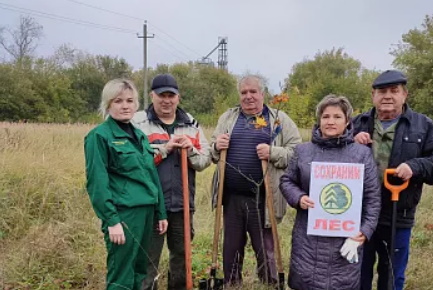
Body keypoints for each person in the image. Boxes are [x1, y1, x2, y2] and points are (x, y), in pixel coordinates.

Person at [353, 70, 433, 290]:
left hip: (398, 213)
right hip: (360, 214)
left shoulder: (423, 126)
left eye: (394, 91)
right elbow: (329, 148)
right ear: (373, 96)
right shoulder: (358, 123)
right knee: (358, 273)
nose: (387, 96)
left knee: (392, 276)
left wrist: (415, 166)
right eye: (382, 91)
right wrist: (350, 141)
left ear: (404, 95)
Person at [279, 95, 381, 290]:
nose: (331, 121)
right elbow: (287, 180)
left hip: (346, 239)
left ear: (347, 121)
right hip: (308, 239)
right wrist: (298, 198)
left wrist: (364, 232)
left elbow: (372, 199)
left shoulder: (361, 154)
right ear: (319, 120)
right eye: (326, 116)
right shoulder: (303, 151)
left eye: (337, 117)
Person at [211, 74, 302, 287]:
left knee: (265, 248)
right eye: (244, 92)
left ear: (263, 94)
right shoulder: (228, 118)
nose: (248, 96)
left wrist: (273, 152)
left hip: (264, 198)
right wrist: (217, 146)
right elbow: (212, 152)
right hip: (232, 197)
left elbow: (297, 153)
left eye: (253, 92)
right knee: (231, 247)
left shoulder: (279, 119)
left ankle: (269, 284)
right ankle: (232, 283)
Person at [84, 79, 168, 290]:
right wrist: (112, 220)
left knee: (140, 271)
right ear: (108, 104)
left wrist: (161, 212)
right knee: (121, 274)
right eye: (118, 101)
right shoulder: (99, 136)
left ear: (136, 104)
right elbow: (97, 183)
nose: (125, 106)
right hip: (124, 215)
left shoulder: (139, 135)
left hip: (147, 212)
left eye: (130, 100)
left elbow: (151, 176)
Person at [132, 73, 211, 290]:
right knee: (148, 259)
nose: (167, 100)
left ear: (178, 97)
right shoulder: (138, 123)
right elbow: (134, 162)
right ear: (152, 95)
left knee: (181, 257)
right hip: (150, 205)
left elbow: (205, 160)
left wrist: (190, 150)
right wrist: (165, 150)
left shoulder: (191, 123)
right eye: (161, 95)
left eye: (171, 95)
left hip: (182, 205)